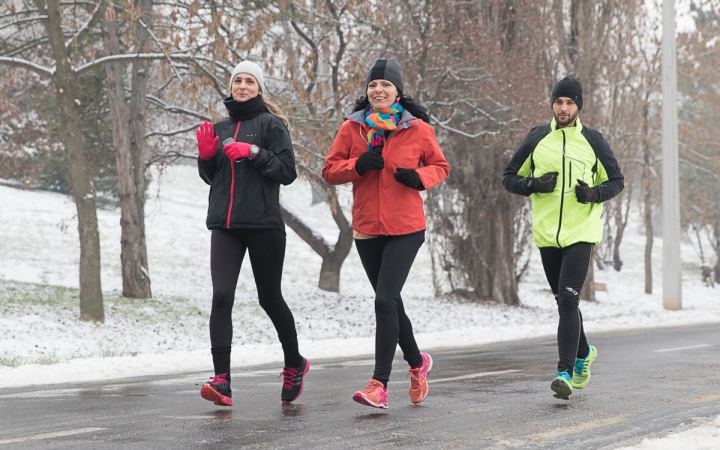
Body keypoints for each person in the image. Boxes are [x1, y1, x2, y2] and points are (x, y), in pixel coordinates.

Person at [322, 57, 451, 409]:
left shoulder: (417, 128)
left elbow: (440, 166)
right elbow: (329, 171)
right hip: (367, 228)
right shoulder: (352, 128)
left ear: (397, 92)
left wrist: (419, 178)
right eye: (373, 85)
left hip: (406, 227)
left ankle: (378, 383)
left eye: (386, 85)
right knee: (390, 301)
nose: (378, 90)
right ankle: (417, 363)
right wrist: (357, 165)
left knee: (383, 300)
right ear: (367, 91)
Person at [195, 60, 309, 407]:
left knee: (269, 298)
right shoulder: (220, 126)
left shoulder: (271, 124)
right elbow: (214, 177)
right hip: (226, 226)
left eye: (249, 81)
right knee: (221, 297)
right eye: (237, 81)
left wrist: (254, 152)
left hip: (263, 225)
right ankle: (222, 380)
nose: (242, 86)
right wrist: (205, 158)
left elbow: (287, 171)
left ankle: (295, 362)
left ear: (259, 88)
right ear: (231, 87)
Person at [503, 77, 624, 400]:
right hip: (546, 235)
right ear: (553, 105)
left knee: (569, 299)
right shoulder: (537, 138)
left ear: (578, 106)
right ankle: (584, 352)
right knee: (562, 301)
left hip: (580, 233)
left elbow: (617, 181)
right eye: (559, 102)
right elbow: (509, 178)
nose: (564, 108)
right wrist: (534, 185)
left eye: (570, 103)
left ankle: (564, 372)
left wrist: (595, 193)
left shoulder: (593, 141)